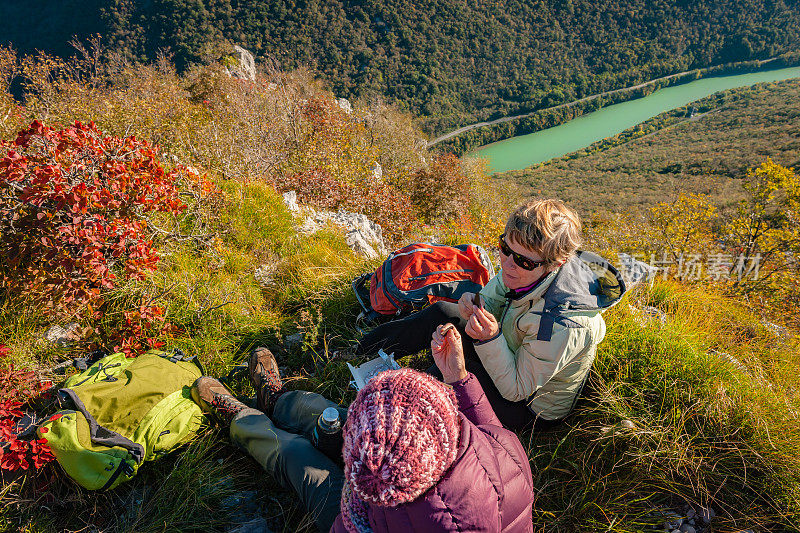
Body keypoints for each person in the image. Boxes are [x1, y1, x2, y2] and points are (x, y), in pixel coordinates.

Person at [191, 343, 534, 532]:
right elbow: (488, 424)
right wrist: (458, 377)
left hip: (368, 520)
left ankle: (241, 419)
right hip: (389, 492)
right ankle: (278, 399)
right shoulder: (504, 452)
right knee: (326, 415)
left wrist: (353, 507)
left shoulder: (390, 514)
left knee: (298, 458)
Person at [355, 198, 627, 430]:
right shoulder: (525, 272)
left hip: (529, 407)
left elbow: (516, 388)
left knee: (458, 371)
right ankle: (359, 355)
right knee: (442, 312)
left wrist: (489, 339)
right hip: (507, 348)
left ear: (555, 263)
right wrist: (471, 304)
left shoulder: (564, 323)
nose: (508, 264)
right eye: (505, 249)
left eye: (523, 260)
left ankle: (385, 417)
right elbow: (493, 299)